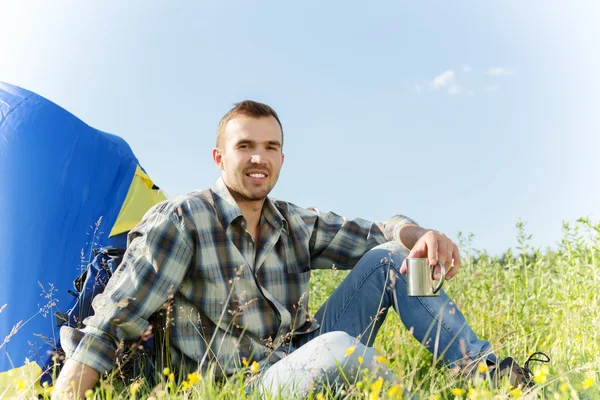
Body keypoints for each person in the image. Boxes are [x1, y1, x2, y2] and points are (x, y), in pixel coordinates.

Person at [54, 101, 547, 399]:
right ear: (219, 157)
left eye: (270, 147)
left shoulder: (293, 222)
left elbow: (379, 231)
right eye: (245, 146)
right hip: (239, 386)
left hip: (297, 355)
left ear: (282, 158)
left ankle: (488, 376)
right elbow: (112, 323)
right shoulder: (181, 220)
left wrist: (419, 235)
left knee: (394, 260)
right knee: (336, 350)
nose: (258, 158)